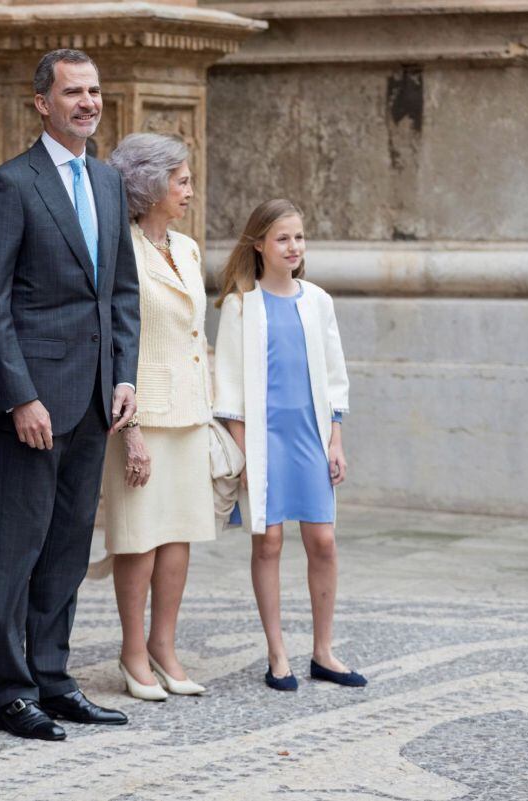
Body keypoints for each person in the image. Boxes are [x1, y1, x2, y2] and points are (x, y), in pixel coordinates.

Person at [0, 48, 140, 740]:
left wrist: (125, 374)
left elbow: (121, 292)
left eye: (94, 91)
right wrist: (18, 396)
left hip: (96, 397)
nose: (87, 103)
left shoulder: (107, 180)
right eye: (73, 92)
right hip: (34, 404)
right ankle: (11, 691)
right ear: (42, 102)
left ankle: (53, 677)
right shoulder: (11, 186)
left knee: (69, 546)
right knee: (19, 547)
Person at [213, 199, 367, 692]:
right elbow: (230, 390)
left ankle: (323, 651)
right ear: (259, 244)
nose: (294, 247)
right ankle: (278, 653)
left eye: (299, 237)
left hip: (310, 438)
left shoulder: (318, 300)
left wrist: (335, 440)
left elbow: (334, 375)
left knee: (322, 539)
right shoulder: (241, 305)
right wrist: (243, 457)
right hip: (263, 441)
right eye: (283, 238)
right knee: (270, 541)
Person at [99, 132, 213, 701]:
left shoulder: (188, 249)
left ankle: (164, 647)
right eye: (182, 180)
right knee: (138, 538)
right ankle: (131, 650)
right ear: (150, 184)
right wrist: (132, 429)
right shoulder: (120, 247)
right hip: (140, 415)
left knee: (179, 536)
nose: (189, 190)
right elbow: (118, 338)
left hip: (190, 411)